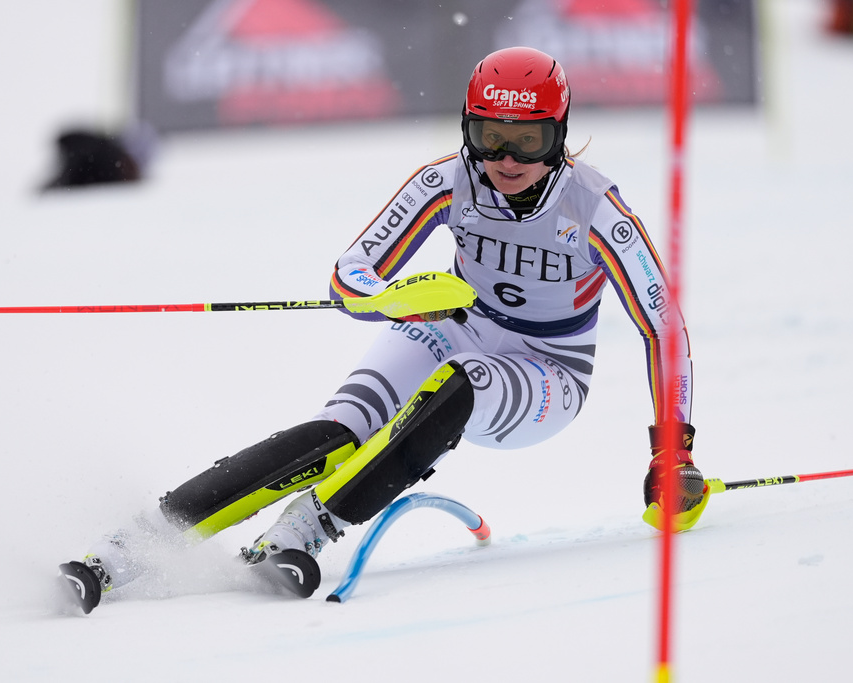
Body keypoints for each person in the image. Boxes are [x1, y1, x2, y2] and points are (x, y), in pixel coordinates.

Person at [58, 46, 706, 613]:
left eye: (527, 141)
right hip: (456, 326)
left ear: (558, 136)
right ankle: (128, 547)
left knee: (461, 383)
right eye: (487, 135)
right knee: (336, 431)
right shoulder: (448, 180)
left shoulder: (593, 206)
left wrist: (671, 451)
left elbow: (663, 326)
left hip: (548, 369)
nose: (505, 160)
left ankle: (304, 530)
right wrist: (392, 296)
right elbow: (350, 275)